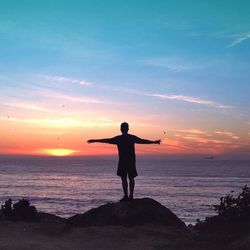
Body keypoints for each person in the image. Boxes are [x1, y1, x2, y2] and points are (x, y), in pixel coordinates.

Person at [87, 122, 161, 201]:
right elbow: (142, 141)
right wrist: (154, 142)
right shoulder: (131, 137)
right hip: (131, 161)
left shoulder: (119, 138)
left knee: (124, 178)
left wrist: (94, 140)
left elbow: (107, 140)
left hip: (123, 161)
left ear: (121, 129)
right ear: (128, 129)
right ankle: (131, 196)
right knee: (131, 178)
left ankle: (126, 196)